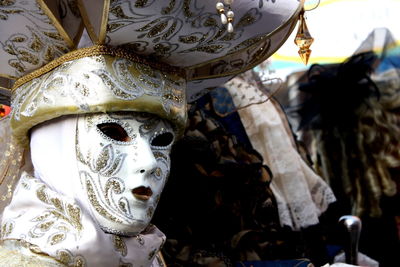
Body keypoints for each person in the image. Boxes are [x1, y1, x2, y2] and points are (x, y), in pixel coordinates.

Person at [0, 0, 304, 266]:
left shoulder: (144, 253)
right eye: (114, 133)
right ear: (54, 148)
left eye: (161, 141)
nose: (149, 161)